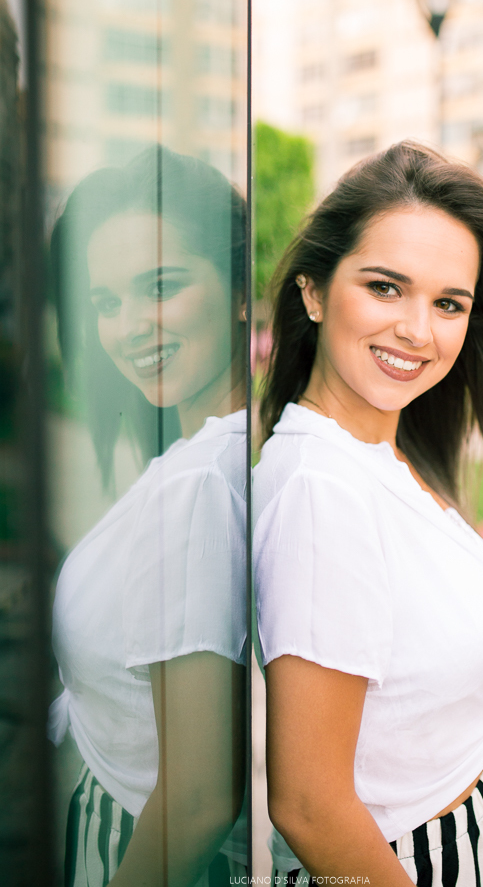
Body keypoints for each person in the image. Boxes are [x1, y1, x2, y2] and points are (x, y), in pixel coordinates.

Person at [253, 141, 483, 886]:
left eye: (449, 303)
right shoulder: (326, 489)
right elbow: (310, 807)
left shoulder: (381, 457)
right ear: (314, 292)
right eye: (386, 288)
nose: (420, 330)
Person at [48, 147, 248, 887]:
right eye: (105, 302)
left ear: (236, 290)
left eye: (160, 287)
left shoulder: (197, 485)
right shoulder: (226, 450)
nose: (129, 326)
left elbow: (197, 800)